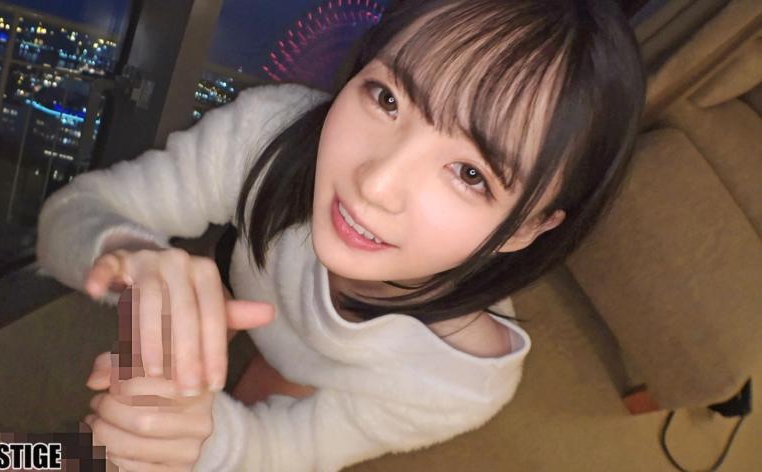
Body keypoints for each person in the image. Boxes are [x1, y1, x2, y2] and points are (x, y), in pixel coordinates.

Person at [35, 0, 645, 470]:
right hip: (269, 328)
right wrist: (129, 253)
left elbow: (282, 454)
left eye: (469, 174)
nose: (375, 184)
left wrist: (192, 434)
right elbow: (75, 213)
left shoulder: (455, 379)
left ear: (529, 228)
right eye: (387, 98)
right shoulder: (267, 137)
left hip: (327, 377)